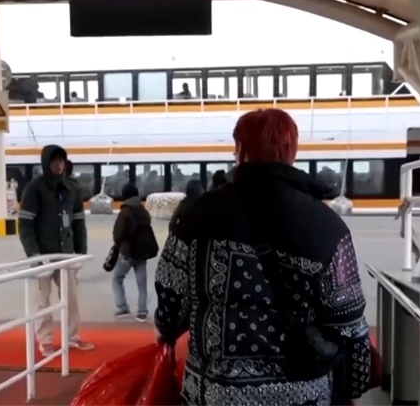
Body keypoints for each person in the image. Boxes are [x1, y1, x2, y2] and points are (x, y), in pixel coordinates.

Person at [154, 109, 372, 405]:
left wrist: (167, 329)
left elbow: (170, 300)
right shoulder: (327, 225)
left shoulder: (196, 216)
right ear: (292, 153)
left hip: (216, 395)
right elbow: (348, 321)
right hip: (303, 394)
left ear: (240, 151)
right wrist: (352, 387)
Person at [18, 144, 94, 356]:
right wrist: (34, 255)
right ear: (46, 162)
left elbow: (79, 222)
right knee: (42, 301)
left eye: (61, 160)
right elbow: (25, 226)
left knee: (71, 298)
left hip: (66, 255)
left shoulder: (72, 188)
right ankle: (45, 341)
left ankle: (72, 337)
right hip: (43, 255)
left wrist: (80, 252)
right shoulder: (34, 189)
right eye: (54, 160)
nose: (59, 165)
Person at [110, 183, 159, 322]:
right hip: (142, 253)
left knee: (117, 278)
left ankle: (122, 307)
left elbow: (118, 233)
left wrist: (118, 245)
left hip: (127, 252)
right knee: (142, 284)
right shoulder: (144, 211)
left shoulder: (125, 212)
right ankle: (142, 311)